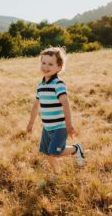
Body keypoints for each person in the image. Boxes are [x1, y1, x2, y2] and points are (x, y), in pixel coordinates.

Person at [26, 47, 86, 175]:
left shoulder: (58, 84)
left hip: (60, 126)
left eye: (50, 64)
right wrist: (31, 123)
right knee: (47, 153)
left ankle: (76, 149)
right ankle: (57, 173)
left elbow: (66, 104)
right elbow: (36, 106)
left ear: (59, 67)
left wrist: (69, 125)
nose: (46, 66)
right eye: (43, 63)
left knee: (55, 152)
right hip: (47, 127)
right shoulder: (40, 86)